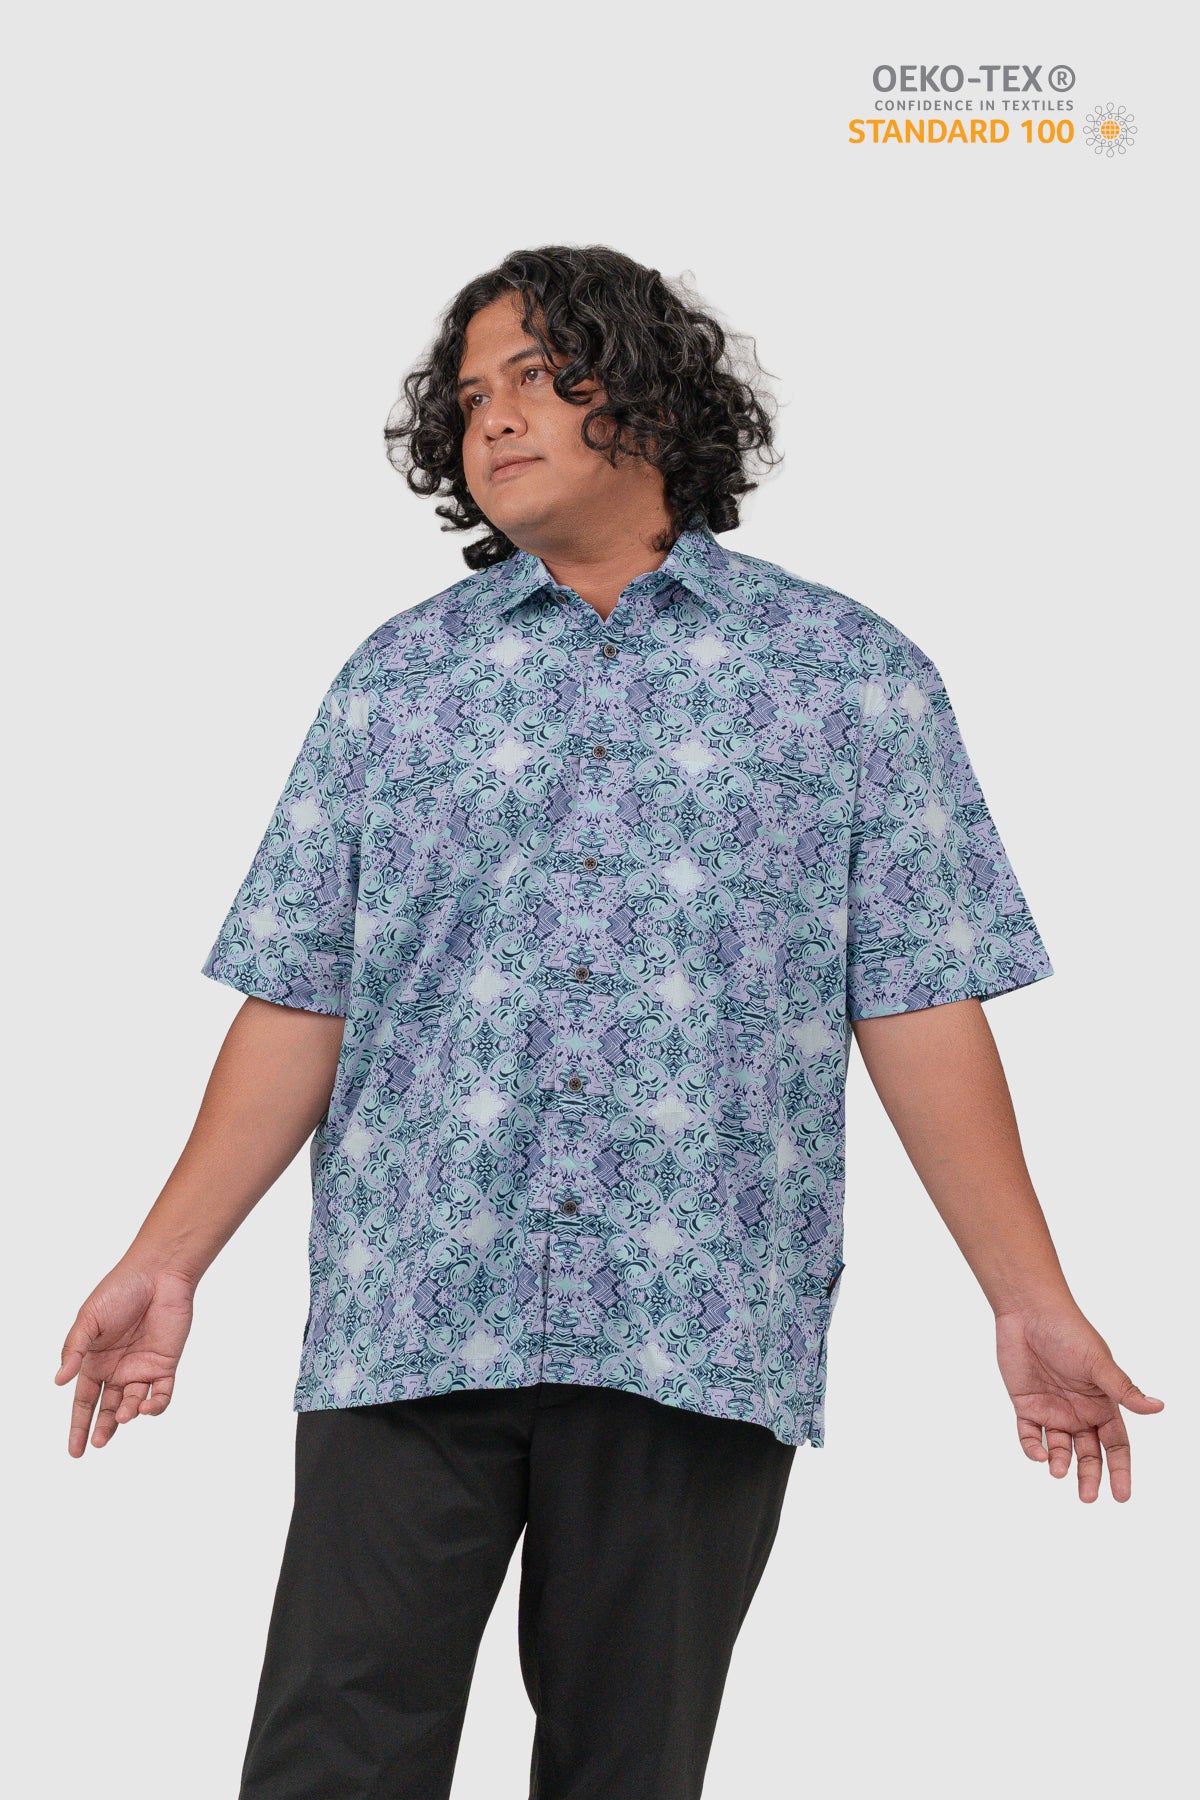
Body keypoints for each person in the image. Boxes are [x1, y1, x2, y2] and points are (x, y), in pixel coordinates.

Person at [55, 244, 1164, 1800]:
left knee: (627, 1772)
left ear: (646, 395)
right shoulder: (399, 683)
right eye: (468, 398)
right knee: (330, 1759)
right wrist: (167, 1260)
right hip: (413, 1310)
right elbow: (302, 994)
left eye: (534, 376)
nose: (493, 420)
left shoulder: (847, 677)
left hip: (695, 1323)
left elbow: (922, 1004)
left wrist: (1026, 1296)